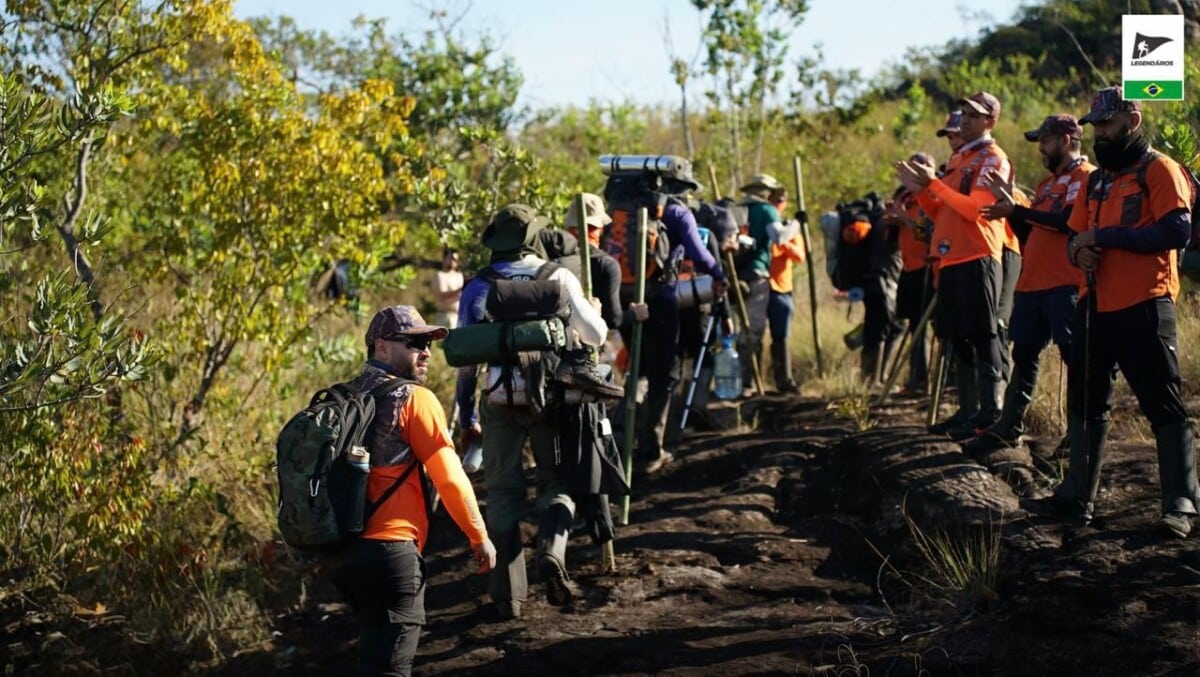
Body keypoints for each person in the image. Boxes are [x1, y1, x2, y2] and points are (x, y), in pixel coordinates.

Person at [1032, 87, 1199, 537]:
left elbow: (1177, 231)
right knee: (1086, 401)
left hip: (1145, 302)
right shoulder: (1096, 180)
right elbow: (1075, 235)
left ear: (1132, 122)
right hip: (1093, 304)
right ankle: (1076, 497)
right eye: (1096, 125)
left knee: (1163, 403)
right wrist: (1080, 251)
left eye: (1107, 124)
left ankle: (1181, 503)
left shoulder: (1160, 169)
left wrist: (1105, 239)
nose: (1100, 132)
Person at [455, 204, 609, 618]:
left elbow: (466, 360)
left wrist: (467, 417)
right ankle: (552, 551)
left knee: (502, 492)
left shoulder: (479, 286)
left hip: (498, 397)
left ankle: (509, 597)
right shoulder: (558, 276)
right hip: (550, 397)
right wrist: (592, 310)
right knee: (556, 482)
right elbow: (595, 335)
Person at [335, 305, 496, 676]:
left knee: (374, 661)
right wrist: (479, 536)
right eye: (413, 343)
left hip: (345, 556)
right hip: (393, 553)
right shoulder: (414, 399)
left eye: (428, 344)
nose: (426, 352)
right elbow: (450, 479)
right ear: (381, 347)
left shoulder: (345, 397)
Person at [964, 114, 1093, 453]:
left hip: (1065, 282)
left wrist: (1018, 211)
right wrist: (1013, 212)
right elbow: (1031, 233)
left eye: (1046, 141)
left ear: (1066, 141)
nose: (1041, 149)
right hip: (1032, 283)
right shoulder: (1046, 185)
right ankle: (1009, 426)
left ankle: (1079, 435)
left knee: (1074, 357)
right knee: (1023, 354)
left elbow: (1067, 222)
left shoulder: (1084, 177)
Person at [896, 91, 1014, 439]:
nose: (965, 120)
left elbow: (976, 209)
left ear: (991, 121)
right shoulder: (958, 160)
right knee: (957, 337)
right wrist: (921, 191)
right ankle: (968, 411)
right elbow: (940, 211)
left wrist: (933, 183)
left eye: (974, 115)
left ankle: (991, 411)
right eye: (964, 113)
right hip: (949, 257)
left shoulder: (993, 158)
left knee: (983, 334)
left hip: (978, 254)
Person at [611, 171, 729, 473]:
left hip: (624, 299)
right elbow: (698, 253)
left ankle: (620, 438)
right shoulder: (677, 212)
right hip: (660, 301)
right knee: (664, 374)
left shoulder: (620, 208)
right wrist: (719, 275)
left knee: (638, 368)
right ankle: (651, 450)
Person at [735, 174, 787, 396]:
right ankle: (747, 384)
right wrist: (795, 225)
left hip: (732, 276)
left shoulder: (735, 210)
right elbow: (779, 237)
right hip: (756, 274)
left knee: (735, 329)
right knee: (753, 329)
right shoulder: (766, 210)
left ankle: (738, 382)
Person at [431, 250, 464, 329]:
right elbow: (441, 296)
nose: (453, 261)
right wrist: (459, 291)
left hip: (458, 316)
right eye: (451, 258)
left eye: (455, 259)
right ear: (444, 259)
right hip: (444, 316)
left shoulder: (460, 276)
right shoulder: (440, 275)